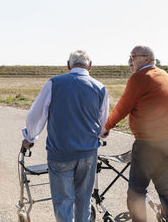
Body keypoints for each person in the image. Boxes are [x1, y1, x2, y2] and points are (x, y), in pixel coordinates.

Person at [21, 50, 109, 222]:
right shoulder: (100, 88)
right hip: (88, 153)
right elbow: (103, 123)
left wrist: (30, 138)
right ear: (90, 66)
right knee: (84, 200)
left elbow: (36, 115)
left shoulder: (54, 83)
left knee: (63, 202)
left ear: (68, 65)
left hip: (60, 153)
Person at [101, 45, 168, 222]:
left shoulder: (139, 78)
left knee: (137, 191)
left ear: (147, 58)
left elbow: (123, 106)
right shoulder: (164, 75)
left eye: (133, 56)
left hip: (148, 143)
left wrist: (106, 127)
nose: (129, 60)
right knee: (166, 189)